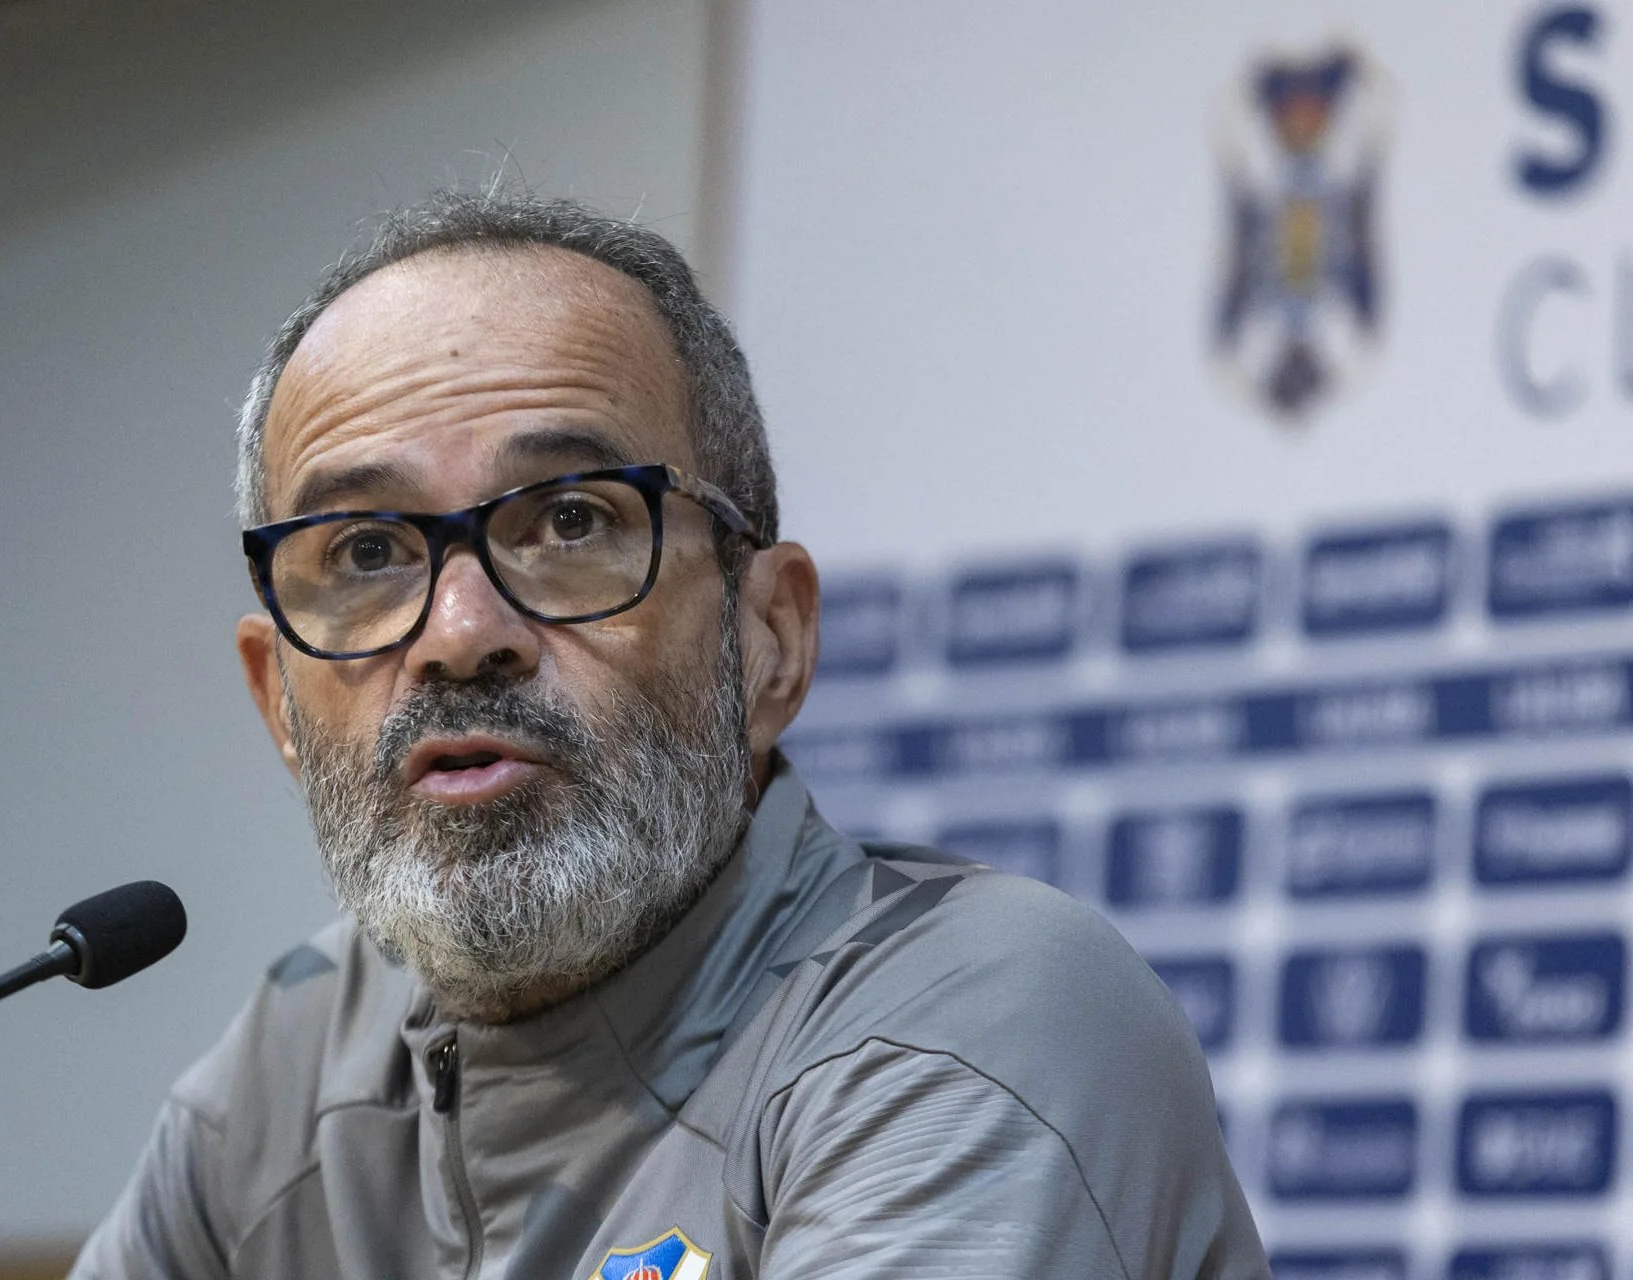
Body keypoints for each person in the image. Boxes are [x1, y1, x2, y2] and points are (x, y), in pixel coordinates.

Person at [71, 191, 1268, 1279]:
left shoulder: (985, 1007)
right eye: (368, 553)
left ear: (773, 638)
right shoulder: (298, 1057)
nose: (459, 631)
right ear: (279, 701)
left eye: (572, 517)